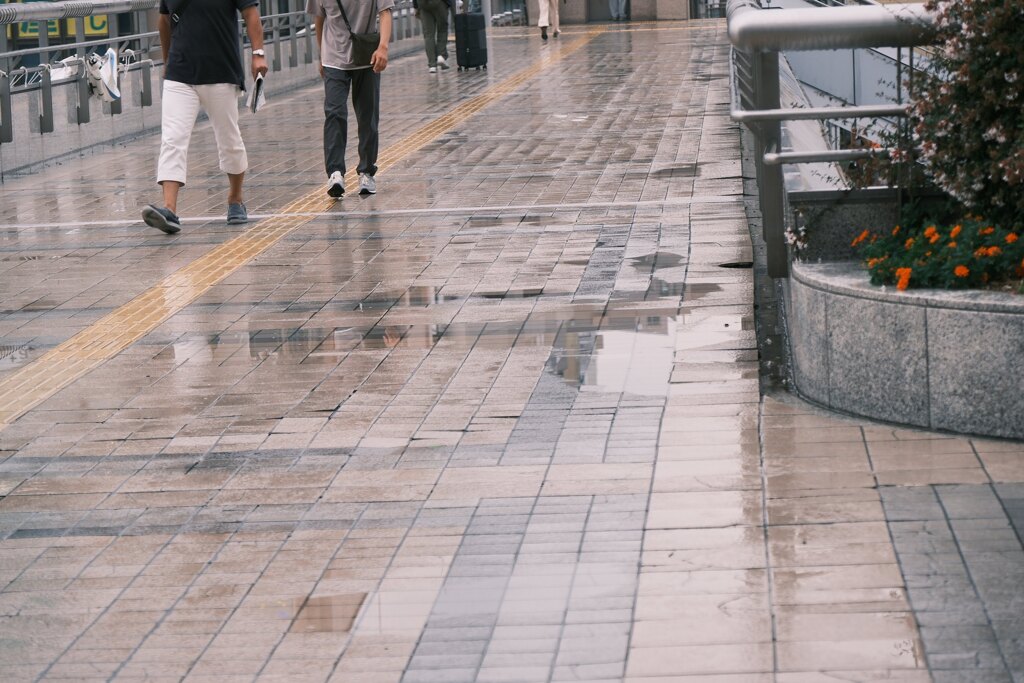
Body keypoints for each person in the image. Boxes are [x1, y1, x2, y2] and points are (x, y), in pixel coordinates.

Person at [142, 0, 268, 235]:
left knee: (229, 140)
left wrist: (258, 54)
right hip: (180, 73)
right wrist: (168, 61)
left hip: (221, 71)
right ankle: (169, 209)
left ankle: (235, 199)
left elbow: (251, 14)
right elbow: (164, 20)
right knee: (172, 138)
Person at [308, 0, 393, 198]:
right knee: (334, 112)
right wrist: (321, 55)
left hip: (366, 57)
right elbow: (319, 19)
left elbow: (386, 12)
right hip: (333, 59)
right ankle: (335, 172)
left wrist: (383, 47)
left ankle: (366, 171)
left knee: (368, 116)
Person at [414, 0, 452, 73]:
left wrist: (416, 6)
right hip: (439, 3)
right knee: (442, 30)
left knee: (428, 34)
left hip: (422, 4)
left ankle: (432, 65)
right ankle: (441, 55)